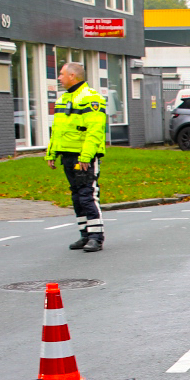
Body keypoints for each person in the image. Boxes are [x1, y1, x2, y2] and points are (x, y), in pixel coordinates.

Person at [46, 61, 108, 252]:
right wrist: (52, 153)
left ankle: (96, 237)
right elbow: (57, 129)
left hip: (83, 157)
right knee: (76, 197)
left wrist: (86, 156)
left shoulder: (91, 98)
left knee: (87, 195)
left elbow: (95, 131)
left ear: (73, 76)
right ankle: (85, 234)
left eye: (62, 74)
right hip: (67, 155)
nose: (59, 78)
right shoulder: (63, 98)